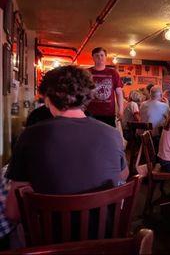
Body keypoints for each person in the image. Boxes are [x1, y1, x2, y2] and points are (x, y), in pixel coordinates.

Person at [5, 65, 128, 222]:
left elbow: (13, 212)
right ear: (87, 97)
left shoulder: (30, 135)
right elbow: (123, 174)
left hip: (50, 242)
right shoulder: (112, 134)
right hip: (105, 237)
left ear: (47, 99)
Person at [86, 47, 124, 127]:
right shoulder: (87, 73)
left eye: (102, 55)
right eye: (97, 55)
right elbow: (81, 91)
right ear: (93, 57)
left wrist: (121, 110)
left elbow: (119, 93)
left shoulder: (113, 73)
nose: (99, 57)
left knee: (108, 137)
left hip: (108, 113)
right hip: (90, 112)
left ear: (105, 57)